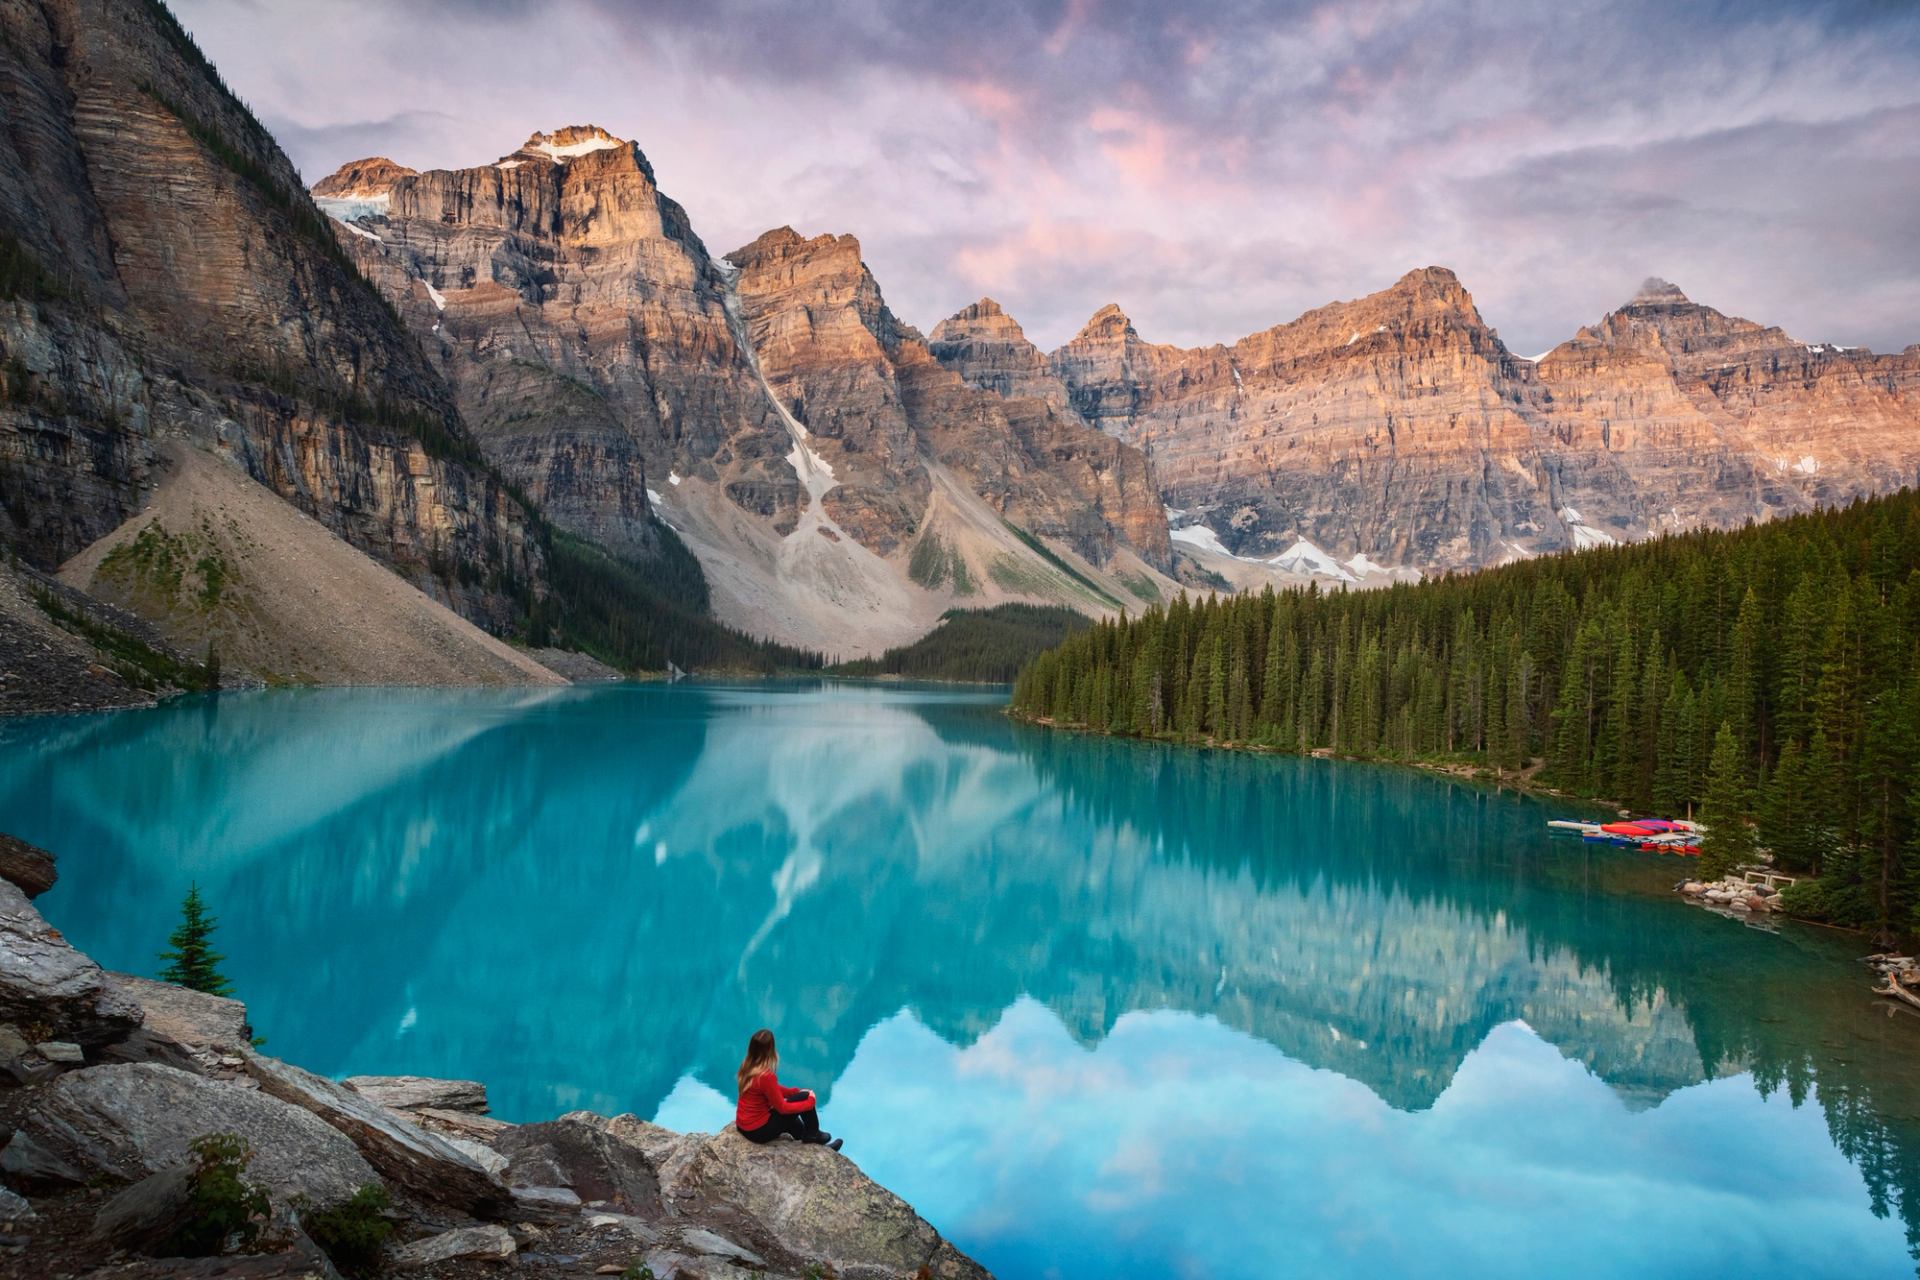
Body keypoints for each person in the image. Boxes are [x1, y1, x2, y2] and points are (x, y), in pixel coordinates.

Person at [735, 1028, 842, 1151]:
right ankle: (813, 1133)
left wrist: (790, 1091)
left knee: (794, 1121)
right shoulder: (766, 1076)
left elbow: (767, 1089)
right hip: (759, 1132)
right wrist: (809, 1103)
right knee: (804, 1097)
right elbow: (782, 1108)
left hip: (744, 1126)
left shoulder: (748, 1065)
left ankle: (818, 1145)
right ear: (770, 1050)